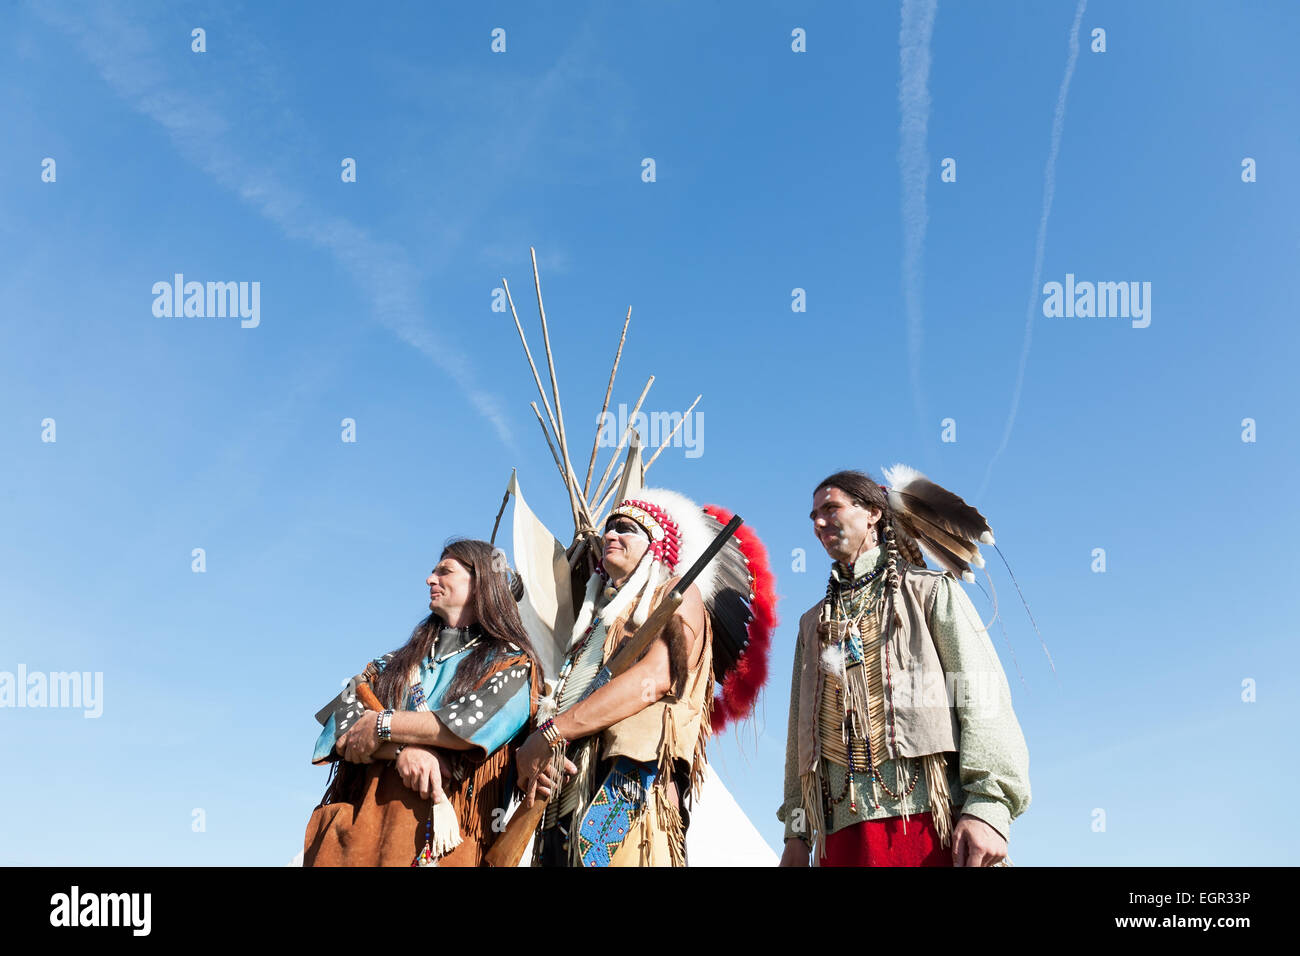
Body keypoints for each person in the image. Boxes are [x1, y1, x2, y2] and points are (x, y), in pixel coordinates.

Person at [777, 469, 1030, 867]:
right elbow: (798, 733)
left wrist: (989, 808)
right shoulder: (811, 625)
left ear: (873, 513)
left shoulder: (930, 592)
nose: (820, 523)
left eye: (831, 508)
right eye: (813, 517)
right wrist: (796, 833)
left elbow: (981, 697)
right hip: (840, 839)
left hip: (931, 827)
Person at [303, 538, 542, 867]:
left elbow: (464, 727)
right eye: (433, 572)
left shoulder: (514, 667)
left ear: (482, 583)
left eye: (445, 572)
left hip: (446, 844)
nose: (431, 580)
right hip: (363, 832)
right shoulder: (389, 665)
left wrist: (382, 726)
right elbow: (338, 733)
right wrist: (402, 750)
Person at [513, 489, 719, 867]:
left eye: (626, 529)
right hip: (564, 794)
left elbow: (655, 678)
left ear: (656, 546)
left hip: (629, 784)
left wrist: (554, 733)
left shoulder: (677, 593)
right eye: (608, 529)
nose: (610, 535)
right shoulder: (594, 623)